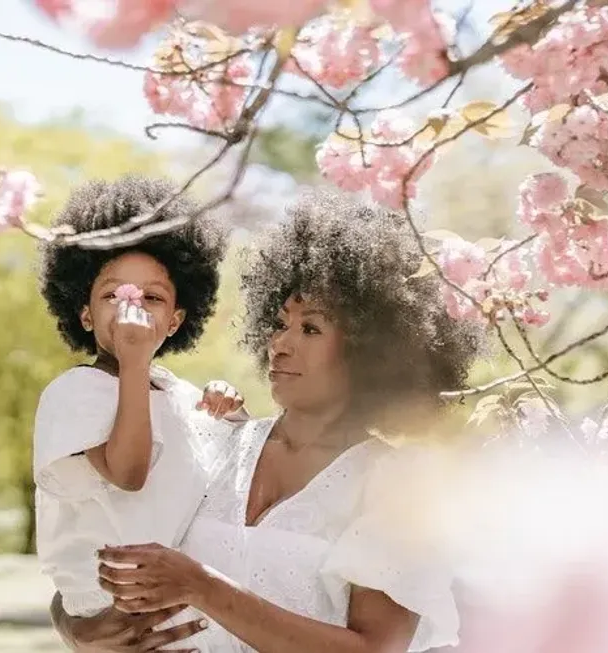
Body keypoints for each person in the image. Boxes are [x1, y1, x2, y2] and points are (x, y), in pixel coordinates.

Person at [50, 188, 483, 652]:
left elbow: (374, 648)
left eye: (311, 328)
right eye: (279, 323)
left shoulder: (397, 482)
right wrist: (77, 628)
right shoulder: (216, 440)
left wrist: (201, 586)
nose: (280, 344)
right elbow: (93, 539)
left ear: (372, 352)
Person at [34, 176, 248, 651]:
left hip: (187, 612)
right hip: (113, 612)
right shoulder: (76, 391)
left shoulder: (177, 392)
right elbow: (128, 473)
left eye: (152, 298)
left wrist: (229, 405)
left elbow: (236, 474)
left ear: (173, 322)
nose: (132, 307)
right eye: (113, 295)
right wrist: (133, 362)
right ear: (85, 314)